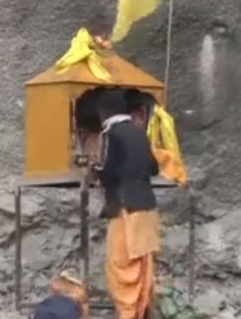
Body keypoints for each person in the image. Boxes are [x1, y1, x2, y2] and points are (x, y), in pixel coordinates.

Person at [93, 90, 161, 319]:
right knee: (142, 264)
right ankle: (142, 312)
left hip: (124, 207)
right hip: (147, 206)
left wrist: (94, 173)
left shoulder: (110, 134)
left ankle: (127, 313)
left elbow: (109, 171)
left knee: (120, 266)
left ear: (104, 112)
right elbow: (154, 167)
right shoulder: (139, 131)